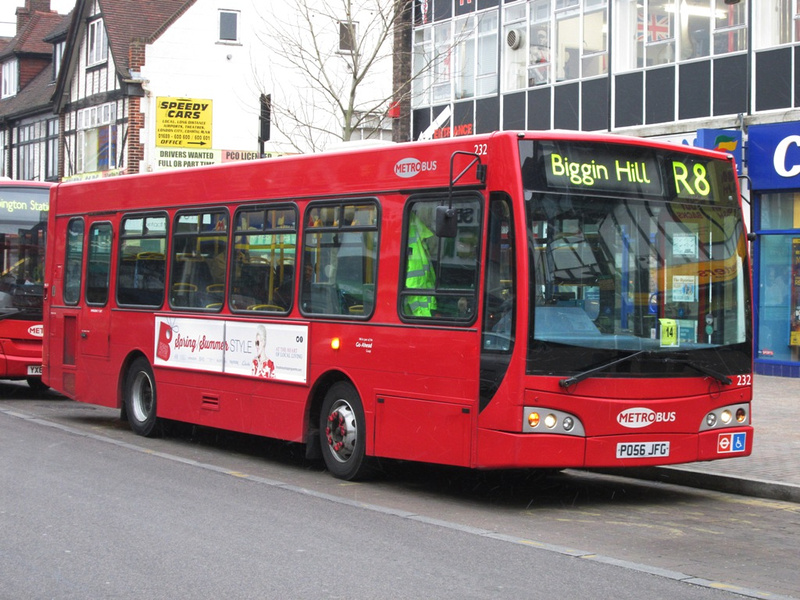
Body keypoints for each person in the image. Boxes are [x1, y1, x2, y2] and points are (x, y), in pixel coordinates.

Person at [404, 212, 437, 317]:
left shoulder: (418, 243)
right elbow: (416, 284)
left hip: (415, 311)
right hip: (418, 313)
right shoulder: (417, 243)